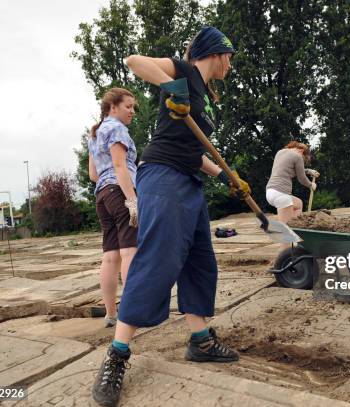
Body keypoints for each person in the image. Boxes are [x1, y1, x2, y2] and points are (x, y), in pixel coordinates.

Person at [92, 27, 250, 407]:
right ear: (219, 53)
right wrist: (170, 85)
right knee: (158, 258)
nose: (231, 64)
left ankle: (200, 341)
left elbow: (194, 152)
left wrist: (230, 178)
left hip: (189, 179)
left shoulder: (208, 98)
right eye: (230, 56)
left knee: (199, 262)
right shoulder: (184, 71)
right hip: (161, 175)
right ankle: (117, 354)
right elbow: (134, 61)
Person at [88, 87, 138, 329]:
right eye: (128, 106)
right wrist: (132, 200)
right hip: (119, 192)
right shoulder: (117, 128)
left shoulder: (95, 133)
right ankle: (132, 313)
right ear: (113, 107)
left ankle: (111, 314)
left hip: (102, 196)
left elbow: (93, 174)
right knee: (130, 251)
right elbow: (120, 166)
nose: (132, 111)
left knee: (110, 256)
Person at [266, 141, 318, 224]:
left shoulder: (280, 152)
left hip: (270, 192)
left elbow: (290, 169)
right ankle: (291, 230)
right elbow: (301, 178)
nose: (302, 160)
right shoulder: (297, 156)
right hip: (281, 194)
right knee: (287, 227)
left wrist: (308, 171)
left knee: (298, 204)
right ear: (301, 151)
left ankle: (296, 226)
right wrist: (310, 185)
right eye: (304, 158)